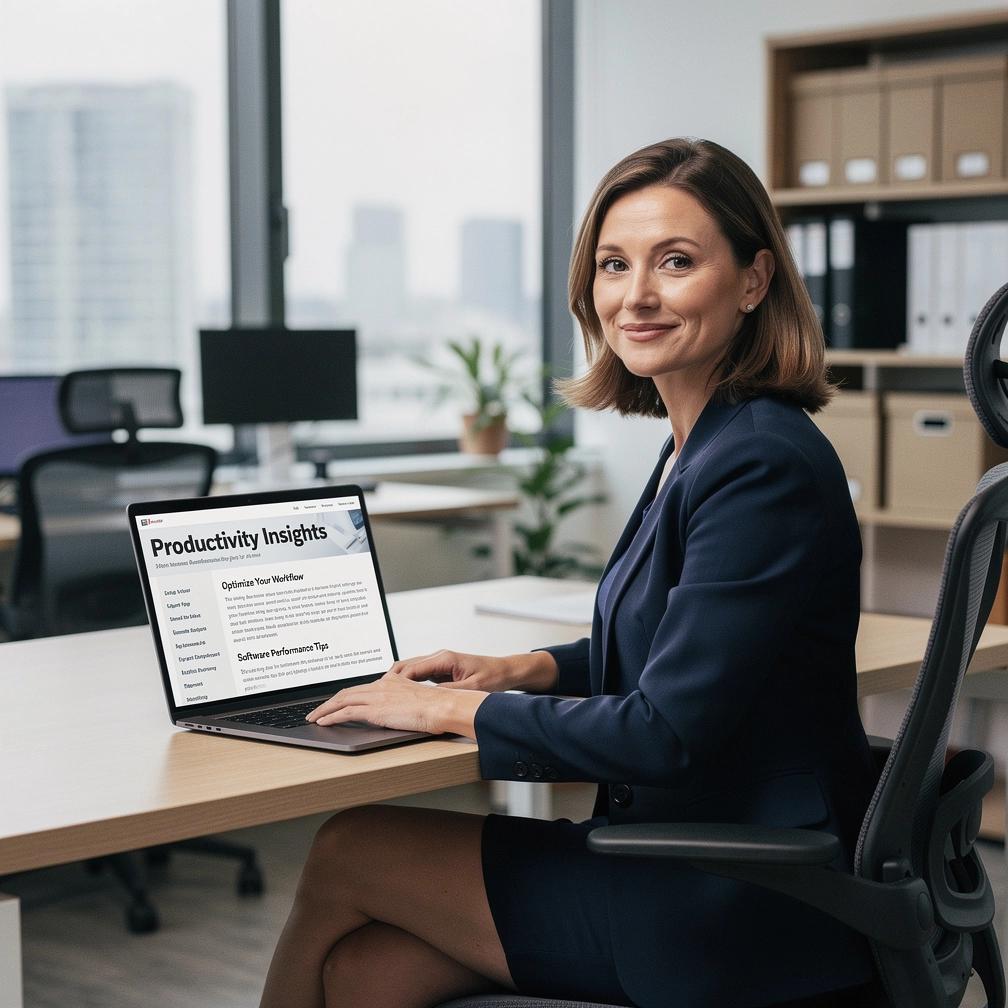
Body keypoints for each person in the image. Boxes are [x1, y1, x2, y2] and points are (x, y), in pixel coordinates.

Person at [259, 138, 880, 1008]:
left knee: (347, 847)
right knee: (367, 973)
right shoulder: (703, 444)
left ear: (753, 280)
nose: (637, 295)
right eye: (614, 264)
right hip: (702, 858)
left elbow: (664, 732)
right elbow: (681, 651)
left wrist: (447, 711)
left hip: (732, 897)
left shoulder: (757, 464)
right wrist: (518, 670)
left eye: (676, 261)